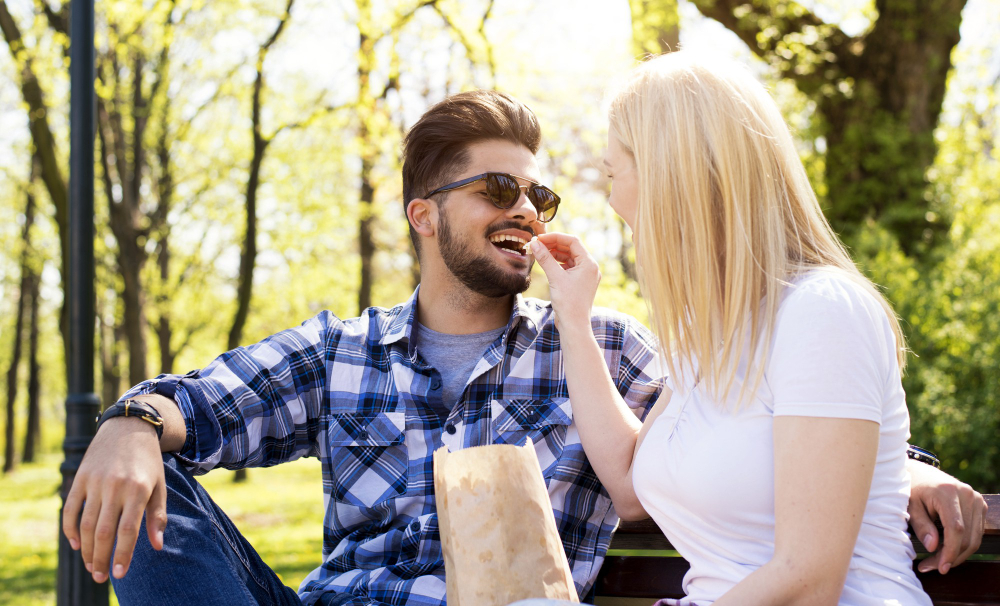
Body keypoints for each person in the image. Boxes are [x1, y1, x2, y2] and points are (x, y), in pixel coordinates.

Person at [63, 89, 983, 606]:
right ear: (425, 217)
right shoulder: (340, 352)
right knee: (151, 492)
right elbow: (208, 402)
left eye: (539, 198)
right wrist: (133, 419)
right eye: (497, 187)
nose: (526, 212)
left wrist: (905, 467)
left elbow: (738, 431)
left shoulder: (605, 349)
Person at [525, 52, 988, 606]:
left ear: (671, 175)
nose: (611, 196)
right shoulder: (708, 334)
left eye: (612, 172)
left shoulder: (822, 310)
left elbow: (808, 582)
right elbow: (629, 487)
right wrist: (573, 316)